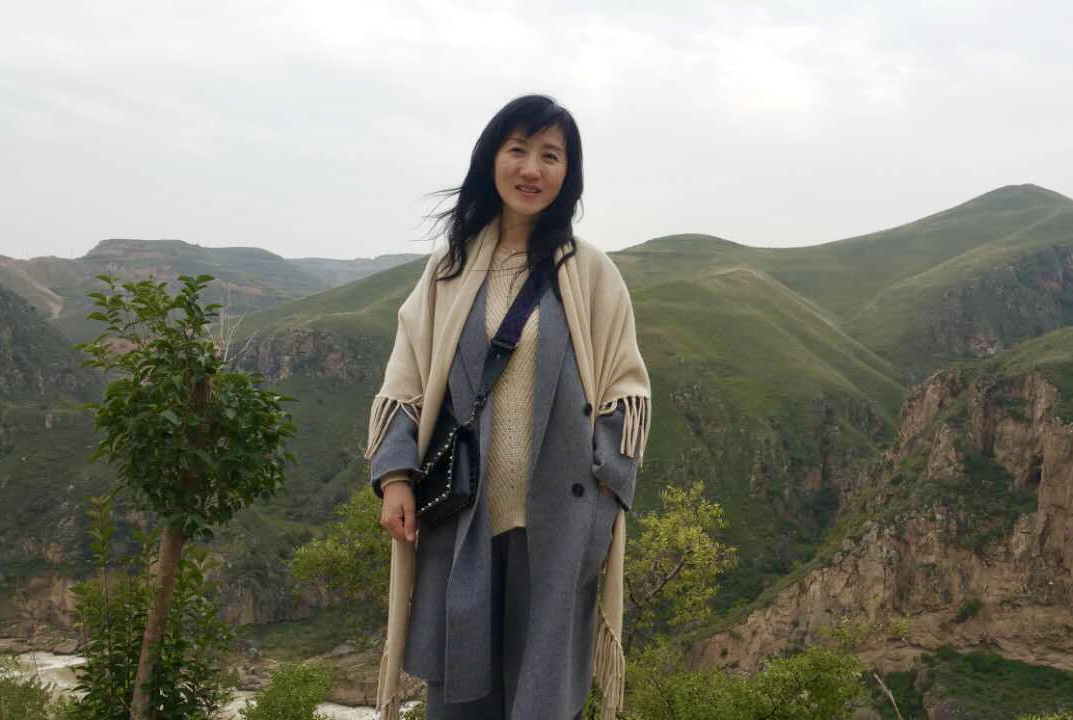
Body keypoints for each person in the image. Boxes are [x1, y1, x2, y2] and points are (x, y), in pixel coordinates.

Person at [364, 94, 651, 720]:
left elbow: (627, 388)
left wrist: (605, 490)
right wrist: (394, 478)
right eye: (517, 150)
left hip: (559, 520)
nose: (531, 169)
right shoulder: (449, 269)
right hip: (463, 514)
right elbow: (406, 381)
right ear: (491, 160)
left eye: (550, 155)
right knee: (460, 695)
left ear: (568, 174)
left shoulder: (591, 272)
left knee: (542, 694)